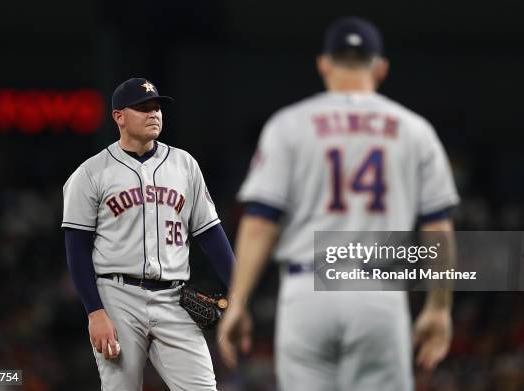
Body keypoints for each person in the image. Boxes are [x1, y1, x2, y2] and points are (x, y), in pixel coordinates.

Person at [217, 17, 459, 390]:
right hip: (378, 294)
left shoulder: (289, 124)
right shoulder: (414, 130)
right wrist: (439, 308)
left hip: (306, 291)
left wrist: (238, 302)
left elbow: (260, 222)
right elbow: (438, 227)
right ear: (380, 67)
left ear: (324, 64)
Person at [61, 77, 234, 391]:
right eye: (142, 108)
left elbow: (210, 233)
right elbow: (76, 248)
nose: (153, 113)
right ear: (119, 117)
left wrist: (239, 288)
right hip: (117, 296)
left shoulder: (184, 164)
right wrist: (94, 312)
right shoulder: (90, 173)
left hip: (174, 297)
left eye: (156, 107)